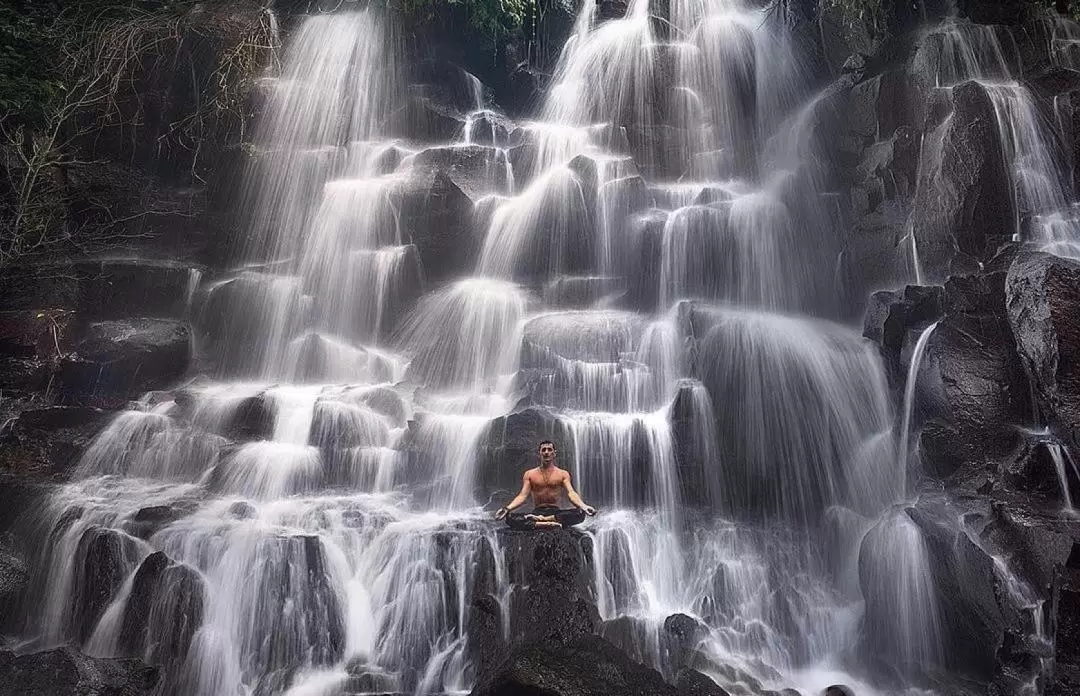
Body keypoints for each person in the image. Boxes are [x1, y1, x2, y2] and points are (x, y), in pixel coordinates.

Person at [494, 440, 597, 529]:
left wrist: (584, 506)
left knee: (580, 513)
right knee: (509, 518)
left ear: (554, 453)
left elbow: (571, 493)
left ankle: (541, 522)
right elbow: (522, 496)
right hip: (537, 512)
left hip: (555, 513)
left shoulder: (563, 474)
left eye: (549, 449)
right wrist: (507, 509)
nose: (546, 452)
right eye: (543, 450)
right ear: (539, 453)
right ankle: (547, 523)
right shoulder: (530, 474)